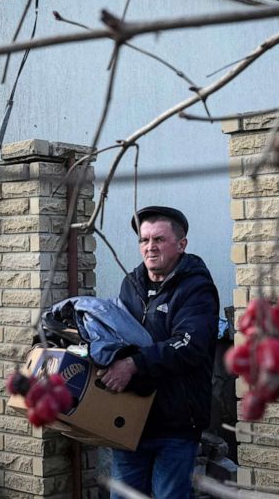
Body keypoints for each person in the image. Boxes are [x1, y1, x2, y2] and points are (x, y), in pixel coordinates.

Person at [99, 206, 219, 498]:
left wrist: (133, 364)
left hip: (176, 424)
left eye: (159, 240)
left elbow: (190, 344)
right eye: (144, 240)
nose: (150, 247)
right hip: (130, 420)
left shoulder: (196, 288)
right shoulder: (131, 285)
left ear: (181, 245)